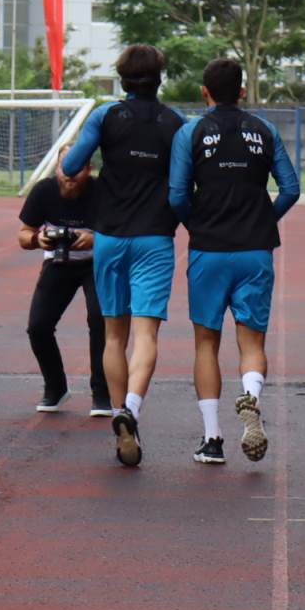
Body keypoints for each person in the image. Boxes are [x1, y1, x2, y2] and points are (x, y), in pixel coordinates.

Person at [168, 58, 300, 465]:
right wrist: (262, 220)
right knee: (252, 340)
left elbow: (176, 196)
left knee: (206, 342)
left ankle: (212, 440)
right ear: (243, 91)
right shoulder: (265, 130)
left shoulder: (189, 132)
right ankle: (252, 399)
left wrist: (200, 223)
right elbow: (291, 189)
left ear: (204, 92)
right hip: (254, 249)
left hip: (209, 249)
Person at [60, 44, 184, 468]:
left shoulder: (106, 116)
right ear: (160, 77)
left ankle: (118, 415)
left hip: (110, 236)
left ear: (122, 77)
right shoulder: (175, 123)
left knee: (115, 335)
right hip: (155, 236)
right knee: (147, 334)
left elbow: (72, 164)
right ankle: (132, 406)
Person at [18, 157, 109, 416]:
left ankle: (102, 392)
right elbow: (23, 234)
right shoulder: (43, 190)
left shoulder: (103, 190)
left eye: (76, 168)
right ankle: (55, 387)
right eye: (64, 168)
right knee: (38, 327)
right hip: (59, 261)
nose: (69, 174)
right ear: (56, 168)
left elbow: (123, 231)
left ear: (88, 168)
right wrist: (38, 239)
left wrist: (95, 238)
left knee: (100, 320)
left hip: (96, 263)